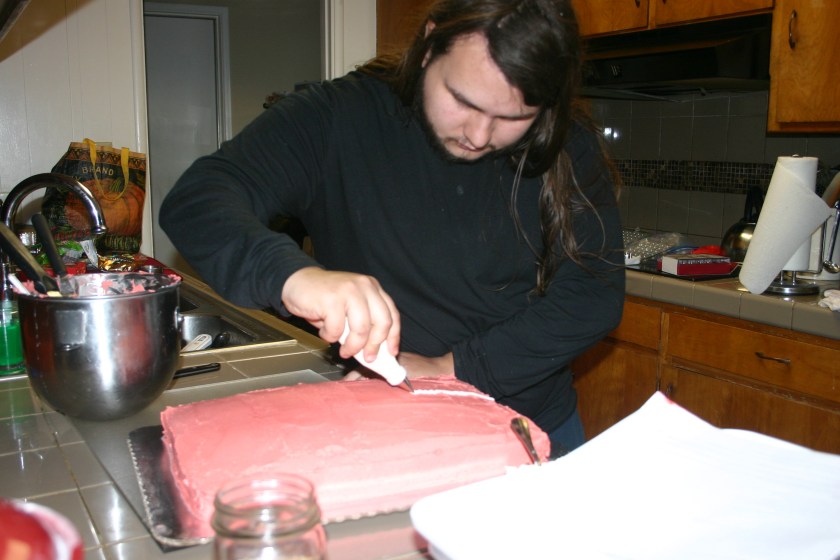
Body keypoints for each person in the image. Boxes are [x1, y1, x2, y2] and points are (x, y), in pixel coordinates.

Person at [159, 0, 625, 455]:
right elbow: (198, 199)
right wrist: (292, 275)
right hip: (385, 428)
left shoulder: (568, 144)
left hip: (530, 430)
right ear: (429, 46)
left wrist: (452, 368)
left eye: (513, 117)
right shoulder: (338, 115)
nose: (479, 135)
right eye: (463, 101)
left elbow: (592, 296)